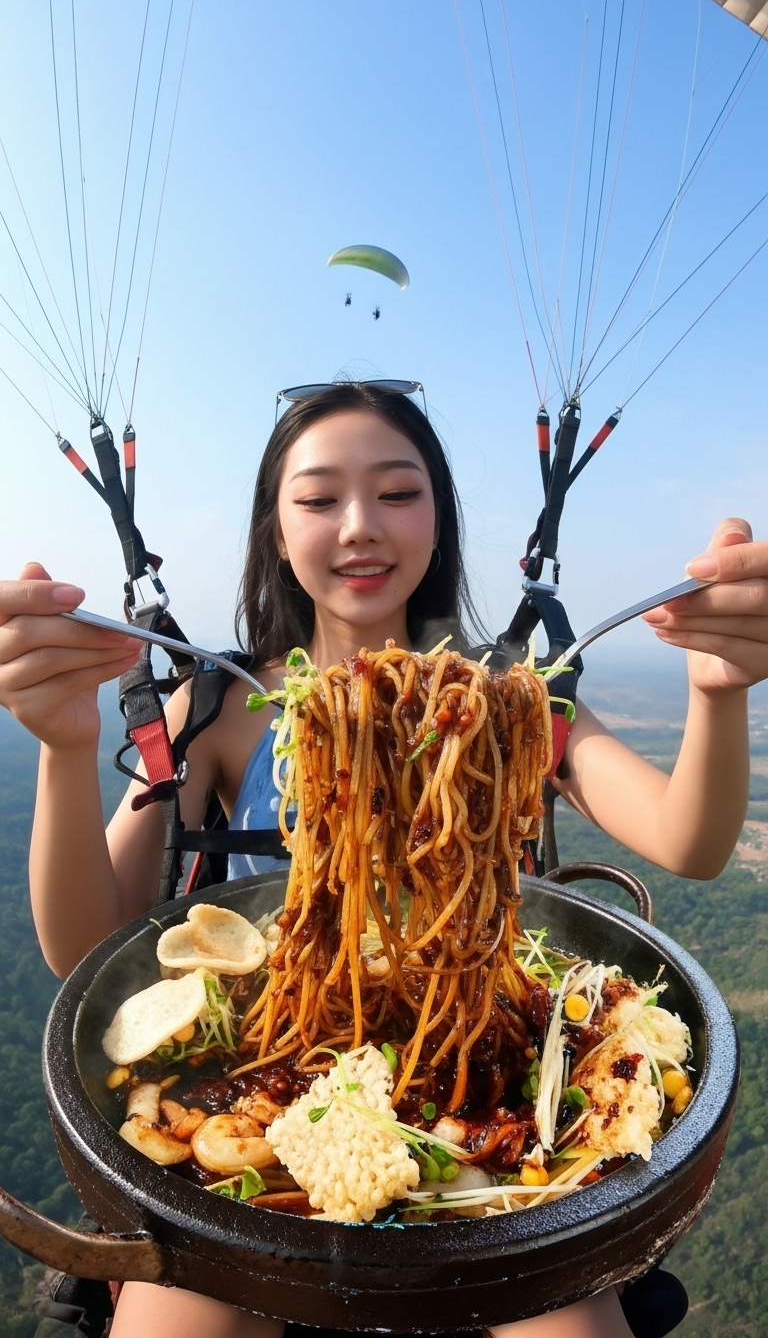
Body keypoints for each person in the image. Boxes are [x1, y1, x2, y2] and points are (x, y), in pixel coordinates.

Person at [1, 381, 766, 1338]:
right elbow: (83, 944)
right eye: (319, 498)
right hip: (272, 1056)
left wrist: (719, 692)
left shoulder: (509, 700)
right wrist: (64, 747)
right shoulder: (219, 707)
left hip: (486, 1065)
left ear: (438, 523)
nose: (360, 524)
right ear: (277, 533)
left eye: (398, 493)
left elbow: (689, 841)